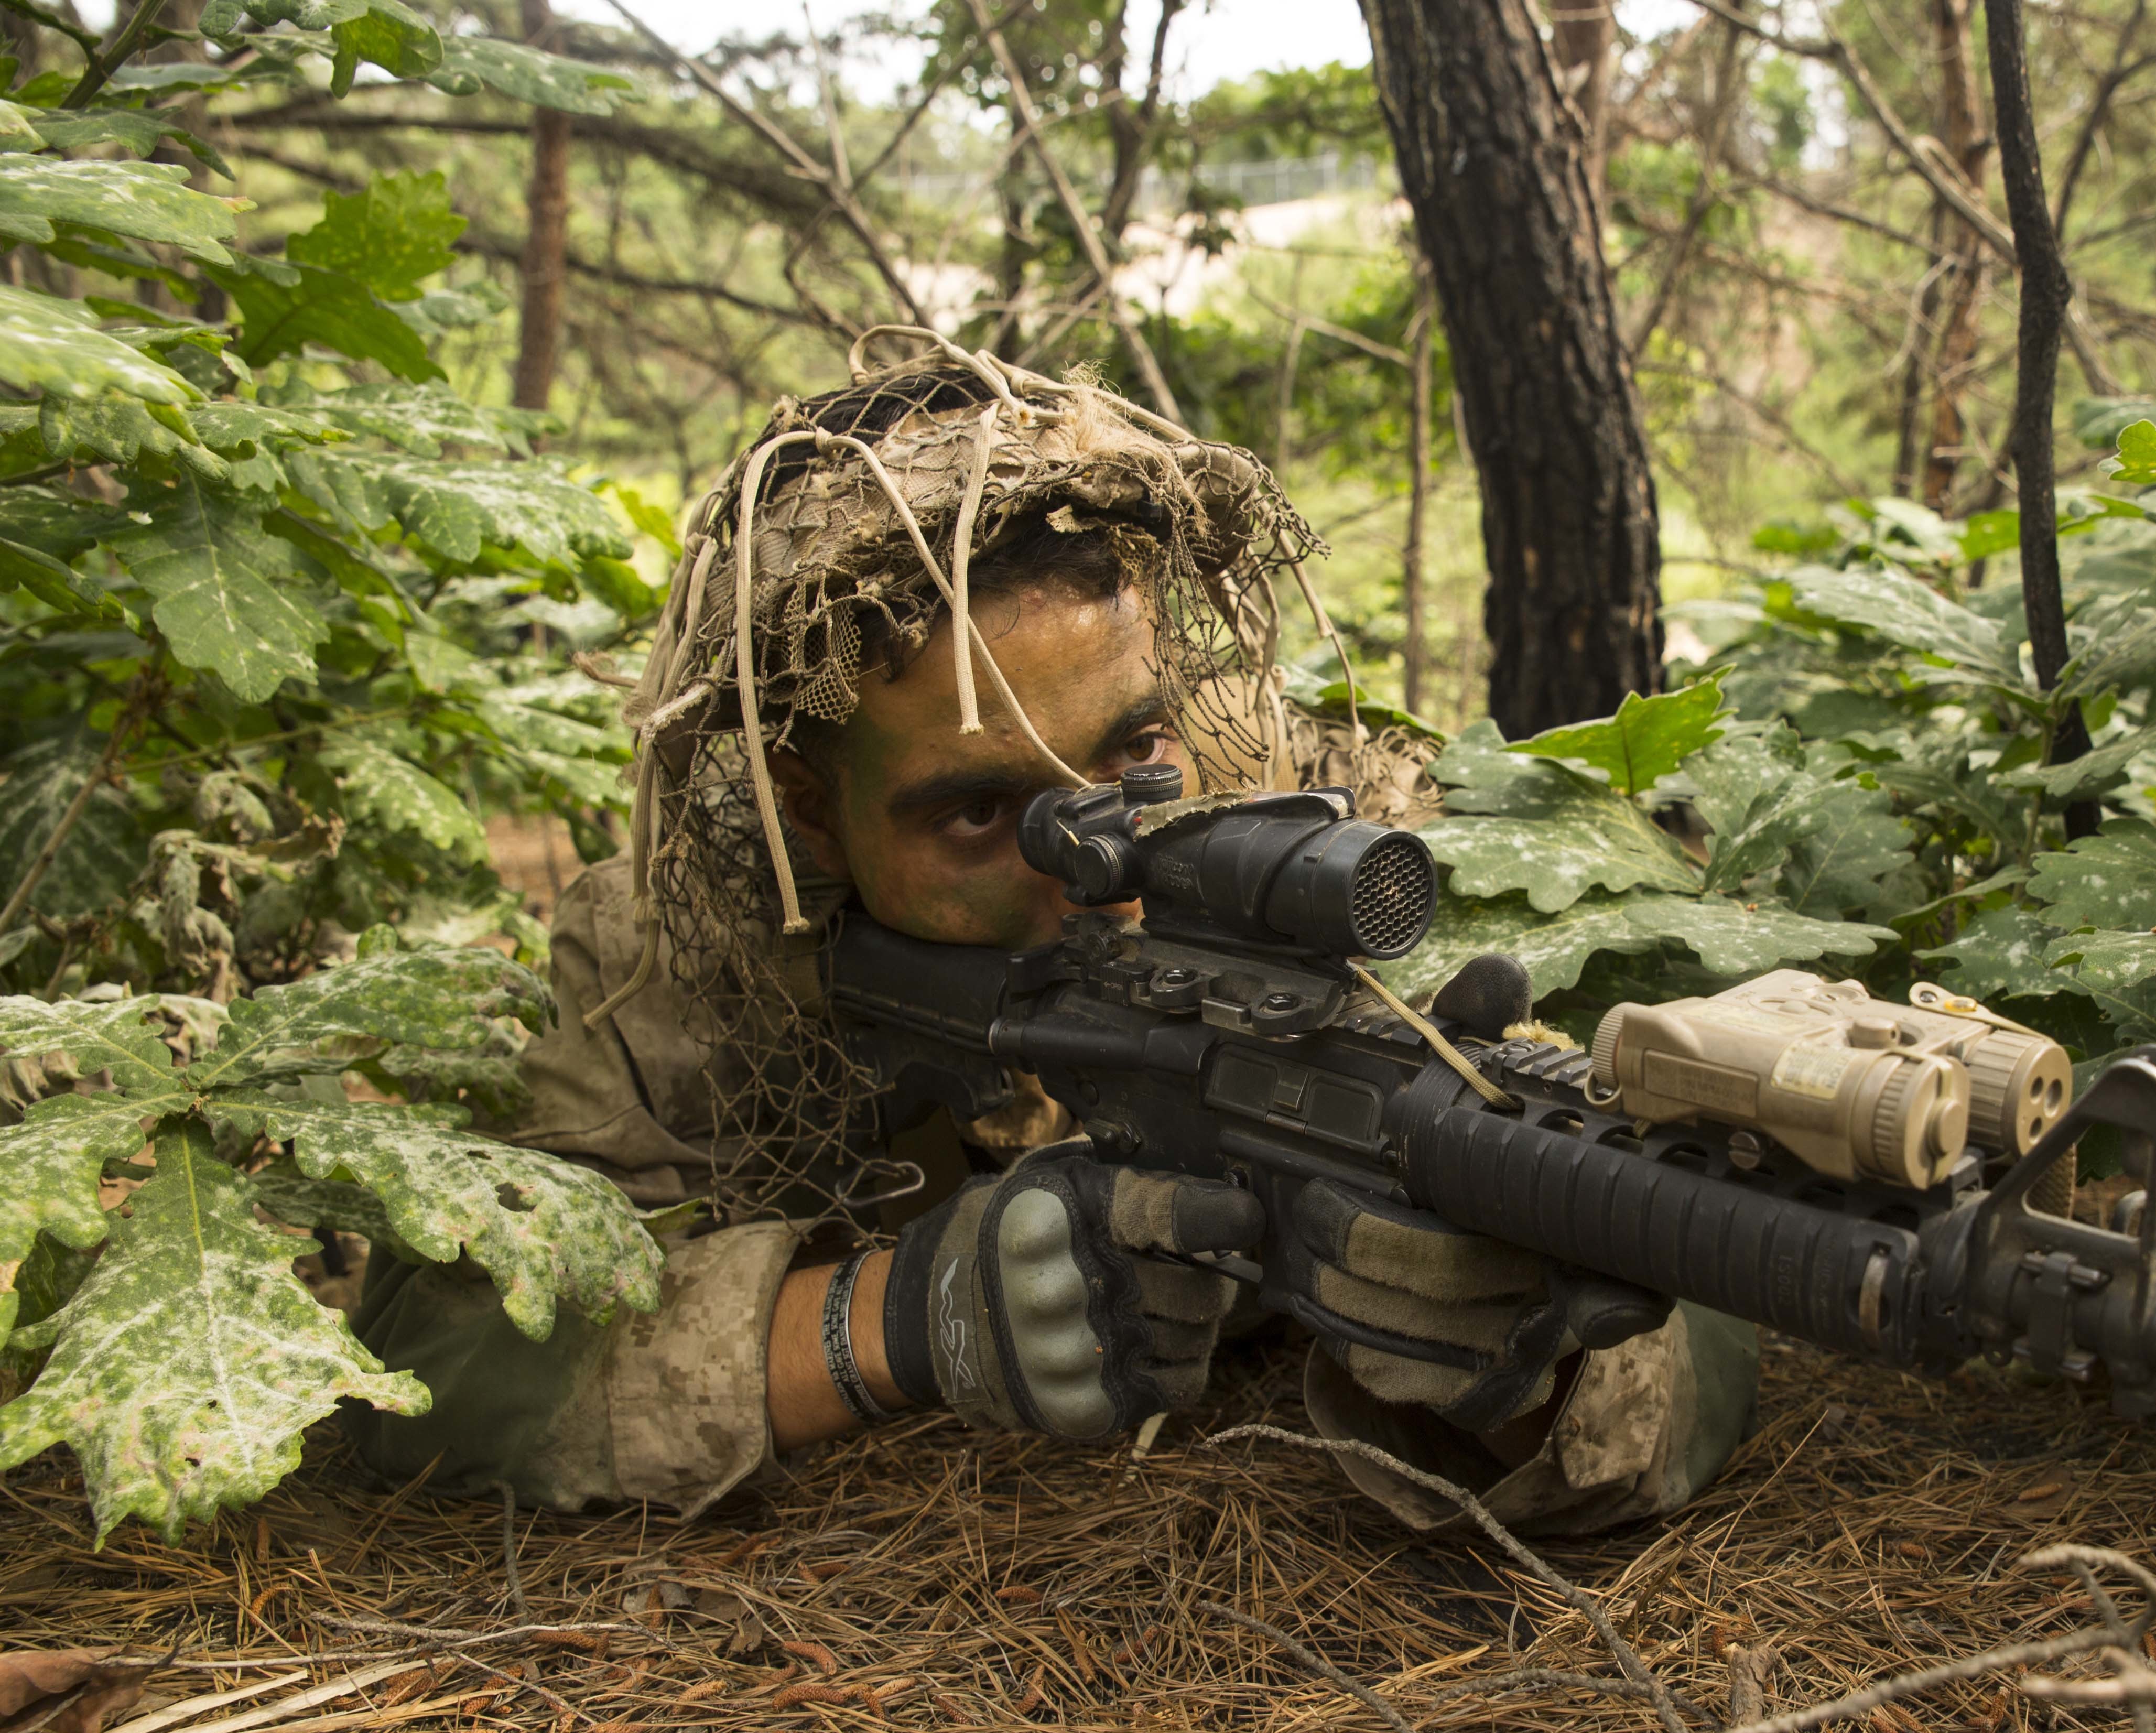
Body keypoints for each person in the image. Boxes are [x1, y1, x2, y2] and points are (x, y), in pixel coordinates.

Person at [343, 338, 1758, 1536]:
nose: (1106, 870)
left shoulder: (1319, 849)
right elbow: (437, 1359)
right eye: (979, 817)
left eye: (1136, 756)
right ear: (809, 817)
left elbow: (1688, 1287)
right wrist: (896, 1322)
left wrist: (1520, 1353)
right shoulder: (682, 957)